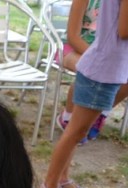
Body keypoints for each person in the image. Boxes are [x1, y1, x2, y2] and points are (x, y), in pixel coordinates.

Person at [41, 0, 128, 188]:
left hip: (110, 66)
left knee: (79, 131)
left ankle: (62, 179)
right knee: (75, 132)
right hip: (103, 67)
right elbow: (124, 29)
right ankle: (48, 186)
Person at [56, 0, 109, 143]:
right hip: (74, 50)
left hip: (106, 55)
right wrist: (96, 57)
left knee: (119, 72)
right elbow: (73, 37)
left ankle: (100, 113)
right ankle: (68, 117)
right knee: (89, 67)